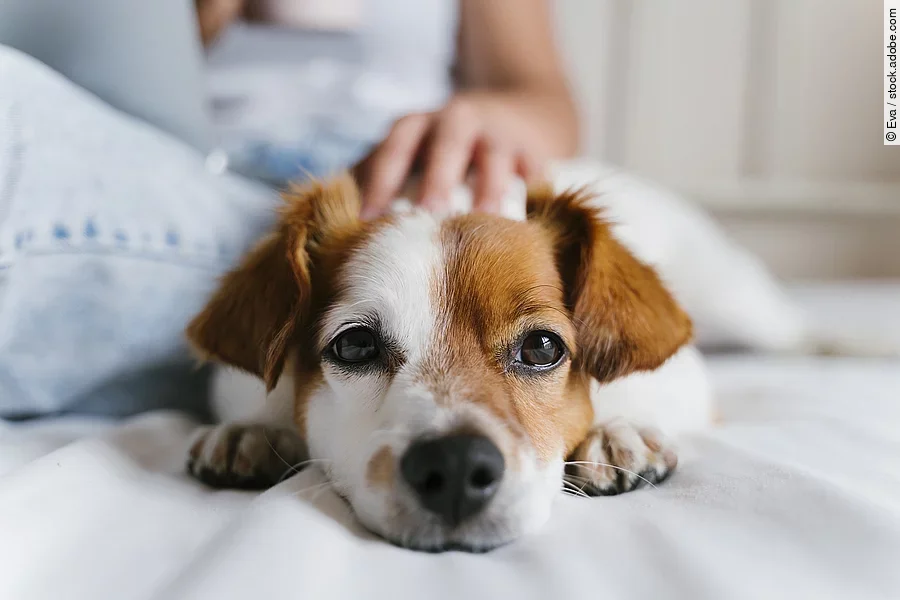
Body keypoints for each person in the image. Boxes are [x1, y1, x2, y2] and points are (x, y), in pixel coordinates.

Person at [0, 0, 578, 417]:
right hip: (183, 178)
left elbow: (547, 102)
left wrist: (480, 118)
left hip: (381, 203)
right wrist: (195, 19)